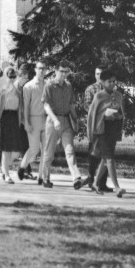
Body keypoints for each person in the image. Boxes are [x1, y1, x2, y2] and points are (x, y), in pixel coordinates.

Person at [42, 61, 87, 189]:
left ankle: (76, 178)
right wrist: (55, 120)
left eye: (66, 72)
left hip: (66, 121)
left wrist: (75, 120)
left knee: (70, 150)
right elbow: (46, 105)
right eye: (61, 71)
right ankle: (46, 178)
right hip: (52, 121)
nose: (63, 74)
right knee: (49, 152)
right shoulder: (49, 85)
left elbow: (72, 105)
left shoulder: (68, 86)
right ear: (55, 71)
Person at [87, 69, 126, 197]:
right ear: (102, 82)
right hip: (102, 130)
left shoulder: (119, 95)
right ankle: (117, 187)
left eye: (114, 81)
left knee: (105, 158)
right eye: (109, 81)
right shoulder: (99, 96)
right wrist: (91, 133)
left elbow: (122, 113)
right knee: (109, 158)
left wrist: (118, 115)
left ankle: (95, 183)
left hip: (113, 130)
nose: (112, 84)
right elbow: (92, 115)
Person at [0, 63, 30, 177]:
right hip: (5, 120)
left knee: (15, 147)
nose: (12, 78)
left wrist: (25, 121)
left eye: (14, 76)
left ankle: (1, 166)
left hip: (16, 120)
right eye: (10, 76)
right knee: (7, 147)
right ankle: (5, 169)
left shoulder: (19, 88)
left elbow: (21, 107)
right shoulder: (6, 89)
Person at [84, 65, 113, 192]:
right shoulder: (91, 89)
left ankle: (102, 183)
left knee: (106, 154)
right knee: (94, 153)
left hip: (108, 125)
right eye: (97, 74)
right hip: (95, 125)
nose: (99, 76)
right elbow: (88, 107)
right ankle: (91, 179)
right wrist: (102, 111)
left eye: (101, 74)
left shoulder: (110, 90)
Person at [17, 61, 46, 184]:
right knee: (34, 150)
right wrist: (27, 122)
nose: (42, 71)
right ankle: (22, 167)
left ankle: (41, 177)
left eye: (44, 69)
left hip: (45, 120)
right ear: (35, 69)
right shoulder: (28, 87)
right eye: (39, 68)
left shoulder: (48, 85)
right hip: (33, 120)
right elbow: (26, 107)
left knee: (45, 150)